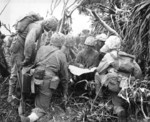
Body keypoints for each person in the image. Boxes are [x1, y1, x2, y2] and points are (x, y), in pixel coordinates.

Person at [7, 16, 58, 104]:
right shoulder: (37, 28)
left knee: (22, 71)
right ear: (48, 26)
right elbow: (29, 42)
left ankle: (19, 93)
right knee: (16, 71)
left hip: (23, 46)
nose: (49, 31)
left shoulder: (39, 26)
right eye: (50, 29)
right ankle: (10, 96)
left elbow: (37, 44)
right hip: (19, 46)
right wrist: (27, 57)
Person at [21, 32, 69, 122]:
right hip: (47, 80)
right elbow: (64, 76)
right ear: (62, 43)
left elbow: (35, 63)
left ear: (51, 40)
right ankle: (28, 119)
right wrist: (65, 92)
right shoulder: (61, 54)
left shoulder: (42, 48)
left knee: (35, 91)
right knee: (42, 108)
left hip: (34, 75)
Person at [94, 35, 142, 122]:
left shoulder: (109, 55)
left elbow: (100, 70)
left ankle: (100, 100)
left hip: (115, 84)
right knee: (117, 99)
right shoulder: (128, 57)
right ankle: (121, 109)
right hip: (128, 85)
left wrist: (109, 70)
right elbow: (138, 73)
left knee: (97, 75)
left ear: (108, 45)